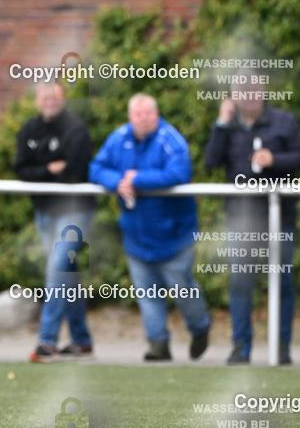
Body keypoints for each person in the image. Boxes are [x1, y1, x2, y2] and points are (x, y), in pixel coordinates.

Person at [89, 93, 211, 362]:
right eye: (138, 115)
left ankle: (200, 327)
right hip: (136, 235)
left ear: (156, 115)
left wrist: (138, 179)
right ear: (130, 117)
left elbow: (179, 173)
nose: (144, 119)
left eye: (149, 114)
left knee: (182, 288)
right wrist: (117, 181)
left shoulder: (171, 139)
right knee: (147, 294)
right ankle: (158, 344)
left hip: (175, 235)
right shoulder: (118, 138)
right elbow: (96, 168)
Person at [203, 74, 300, 365]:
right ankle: (240, 346)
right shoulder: (228, 126)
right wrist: (221, 124)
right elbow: (211, 162)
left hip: (279, 217)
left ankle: (282, 346)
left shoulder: (283, 122)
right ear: (234, 96)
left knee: (282, 282)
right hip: (241, 219)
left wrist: (275, 160)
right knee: (241, 283)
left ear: (262, 92)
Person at [14, 82, 96, 362]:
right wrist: (49, 168)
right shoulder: (30, 129)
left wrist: (42, 173)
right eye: (45, 97)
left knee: (56, 270)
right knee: (68, 276)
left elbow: (73, 173)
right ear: (38, 101)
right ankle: (81, 340)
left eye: (55, 97)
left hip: (74, 212)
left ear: (63, 100)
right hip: (44, 214)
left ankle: (47, 341)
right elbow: (21, 169)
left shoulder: (76, 129)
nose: (50, 101)